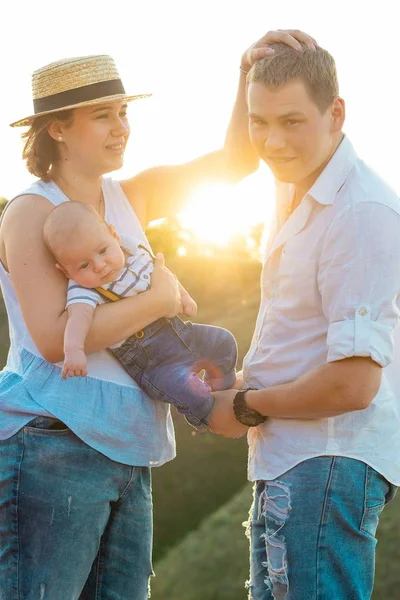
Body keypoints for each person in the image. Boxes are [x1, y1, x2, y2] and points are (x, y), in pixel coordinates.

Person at [0, 29, 316, 599]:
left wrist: (247, 73)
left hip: (130, 449)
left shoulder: (131, 197)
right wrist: (162, 299)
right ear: (57, 127)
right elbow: (53, 339)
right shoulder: (30, 210)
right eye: (102, 115)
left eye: (123, 112)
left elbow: (233, 161)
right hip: (53, 442)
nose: (121, 126)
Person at [209, 42, 400, 599]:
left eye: (292, 121)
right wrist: (246, 68)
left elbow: (354, 382)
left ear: (335, 113)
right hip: (293, 460)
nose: (272, 141)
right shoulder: (295, 187)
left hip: (328, 462)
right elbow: (230, 165)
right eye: (259, 123)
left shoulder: (360, 211)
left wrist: (246, 405)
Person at [43, 200, 237, 429]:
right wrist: (73, 350)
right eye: (83, 265)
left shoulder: (135, 252)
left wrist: (184, 297)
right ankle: (210, 414)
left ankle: (223, 385)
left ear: (114, 235)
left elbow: (165, 275)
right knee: (186, 390)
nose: (99, 265)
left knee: (224, 341)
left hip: (181, 333)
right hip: (153, 363)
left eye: (103, 250)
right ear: (65, 271)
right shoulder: (83, 290)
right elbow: (78, 319)